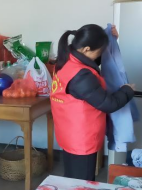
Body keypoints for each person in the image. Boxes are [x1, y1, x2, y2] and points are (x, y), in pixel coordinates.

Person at [50, 24, 134, 181]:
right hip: (82, 137)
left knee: (71, 178)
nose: (100, 55)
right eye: (100, 51)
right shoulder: (81, 76)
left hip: (68, 131)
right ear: (87, 49)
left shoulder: (66, 59)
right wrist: (127, 90)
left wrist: (112, 40)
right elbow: (108, 104)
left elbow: (91, 62)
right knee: (82, 183)